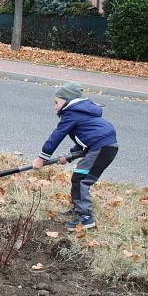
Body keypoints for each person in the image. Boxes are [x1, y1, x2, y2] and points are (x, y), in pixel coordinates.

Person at [32, 82, 119, 230]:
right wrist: (70, 156)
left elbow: (57, 135)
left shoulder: (71, 113)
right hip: (102, 146)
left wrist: (42, 158)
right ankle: (79, 209)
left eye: (56, 102)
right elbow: (85, 139)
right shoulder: (80, 112)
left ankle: (86, 217)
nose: (55, 106)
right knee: (79, 178)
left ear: (66, 100)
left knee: (81, 179)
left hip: (101, 148)